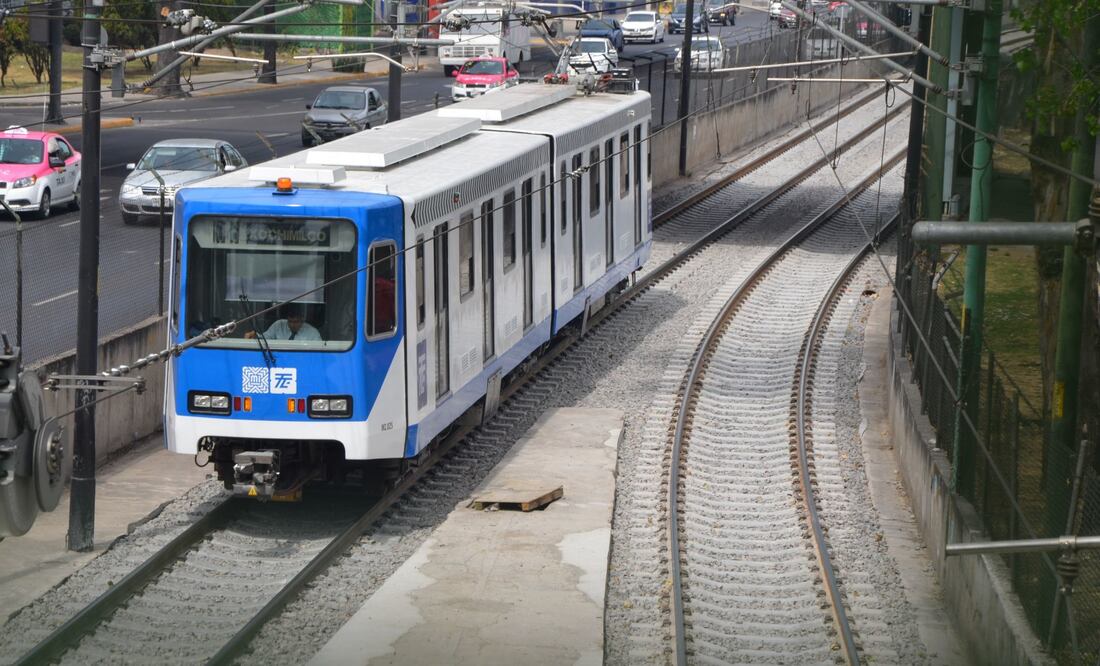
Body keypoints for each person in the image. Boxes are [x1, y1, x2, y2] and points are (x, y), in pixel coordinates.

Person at [245, 307, 321, 341]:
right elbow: (265, 339)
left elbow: (319, 352)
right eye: (290, 321)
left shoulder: (313, 333)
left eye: (296, 322)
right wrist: (255, 336)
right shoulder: (279, 325)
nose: (292, 325)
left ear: (302, 320)